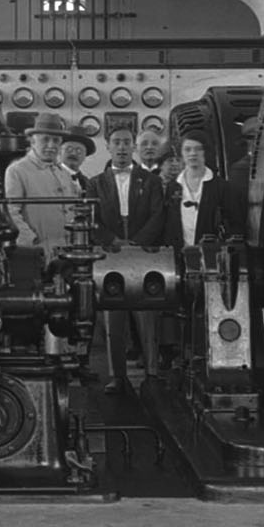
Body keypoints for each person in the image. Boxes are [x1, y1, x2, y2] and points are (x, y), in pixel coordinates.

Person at [90, 125, 167, 394]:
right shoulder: (94, 183)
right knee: (114, 316)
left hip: (143, 254)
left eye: (126, 142)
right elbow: (91, 219)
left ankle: (152, 373)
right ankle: (117, 375)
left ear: (133, 146)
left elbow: (159, 215)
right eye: (116, 143)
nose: (121, 148)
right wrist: (113, 241)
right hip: (110, 254)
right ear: (107, 146)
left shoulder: (152, 181)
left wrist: (137, 243)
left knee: (146, 312)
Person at [3, 111, 80, 255]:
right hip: (35, 251)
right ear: (32, 141)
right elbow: (11, 213)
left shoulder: (63, 174)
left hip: (66, 250)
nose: (51, 145)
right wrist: (31, 241)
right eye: (45, 139)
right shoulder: (17, 171)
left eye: (56, 140)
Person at [164, 131, 231, 250]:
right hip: (176, 254)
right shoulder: (172, 187)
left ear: (206, 152)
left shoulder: (222, 187)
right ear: (181, 153)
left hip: (211, 255)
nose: (193, 153)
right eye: (187, 149)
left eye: (198, 149)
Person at [60, 127, 96, 193]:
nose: (74, 153)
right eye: (69, 149)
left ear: (85, 156)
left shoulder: (87, 183)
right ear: (60, 151)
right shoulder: (51, 176)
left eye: (79, 151)